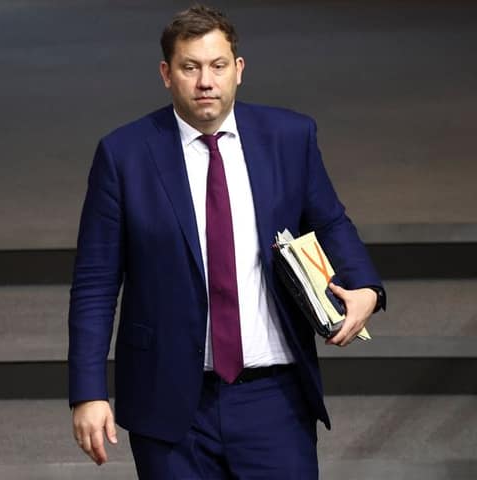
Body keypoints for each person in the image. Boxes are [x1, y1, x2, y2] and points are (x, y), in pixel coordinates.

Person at [68, 4, 385, 478]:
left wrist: (365, 287)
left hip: (275, 398)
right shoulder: (124, 154)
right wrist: (88, 391)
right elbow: (95, 283)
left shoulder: (289, 137)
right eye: (190, 67)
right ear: (166, 74)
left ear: (238, 69)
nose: (206, 82)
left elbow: (331, 222)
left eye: (217, 66)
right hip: (169, 401)